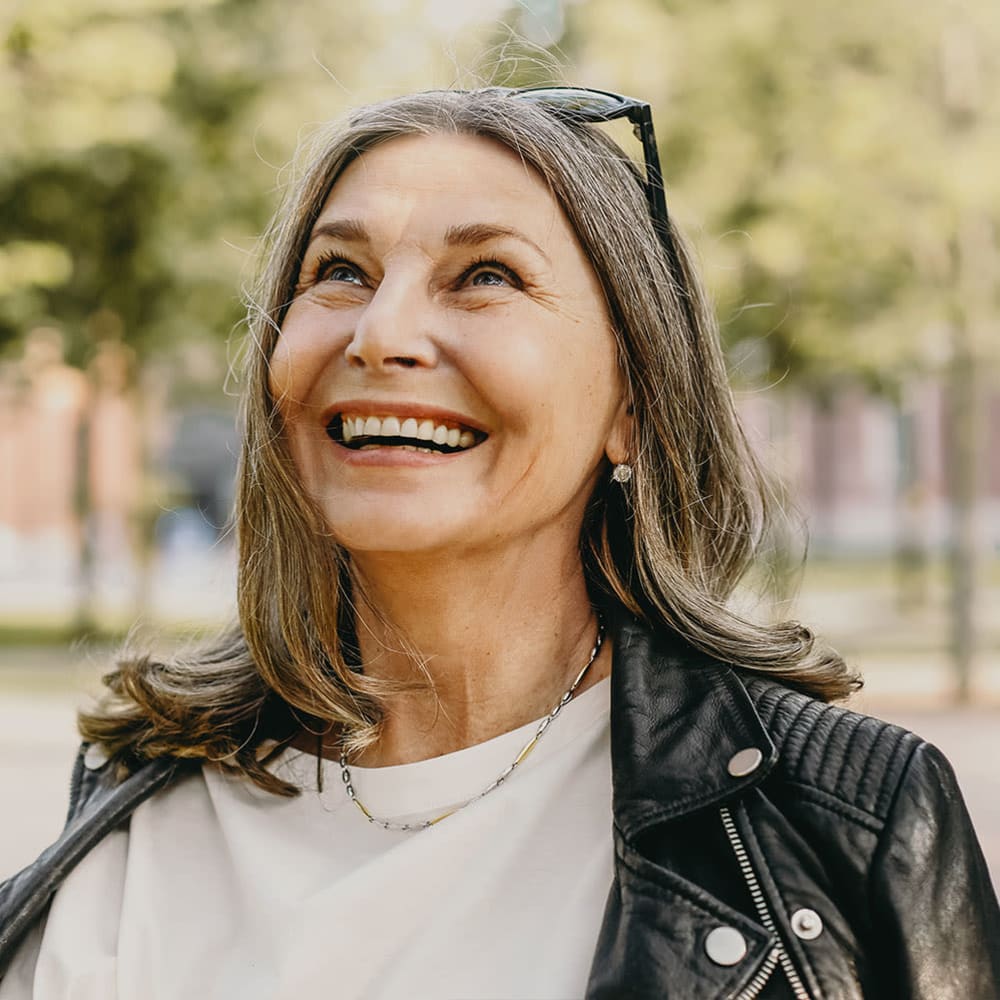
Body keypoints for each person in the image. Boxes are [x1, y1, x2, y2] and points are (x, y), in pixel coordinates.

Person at [0, 86, 997, 1000]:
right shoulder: (140, 821)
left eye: (484, 274)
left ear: (634, 403)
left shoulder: (848, 824)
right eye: (340, 270)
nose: (381, 333)